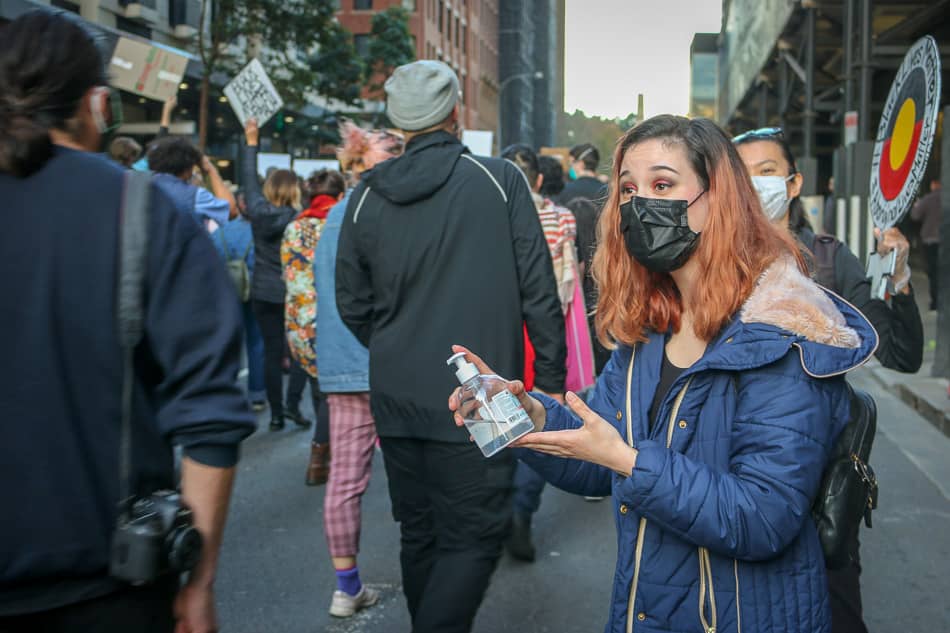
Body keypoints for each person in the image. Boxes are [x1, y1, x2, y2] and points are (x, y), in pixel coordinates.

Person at [449, 115, 878, 633]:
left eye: (662, 184)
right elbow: (599, 448)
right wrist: (529, 413)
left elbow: (762, 517)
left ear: (717, 198)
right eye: (628, 189)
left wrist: (628, 461)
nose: (638, 203)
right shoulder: (651, 329)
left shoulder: (782, 332)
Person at [0, 11, 256, 633]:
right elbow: (212, 414)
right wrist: (198, 582)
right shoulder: (142, 210)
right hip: (110, 582)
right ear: (95, 103)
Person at [336, 60, 566, 632]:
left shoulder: (366, 195)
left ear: (396, 122)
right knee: (476, 533)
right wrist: (554, 382)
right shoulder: (499, 180)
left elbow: (351, 301)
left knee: (421, 533)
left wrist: (394, 345)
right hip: (480, 394)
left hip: (397, 392)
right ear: (456, 112)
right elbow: (540, 290)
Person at [733, 127, 923, 633]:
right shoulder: (710, 263)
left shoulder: (829, 259)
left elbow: (901, 354)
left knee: (833, 614)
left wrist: (898, 280)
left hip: (819, 486)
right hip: (730, 479)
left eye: (767, 172)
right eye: (742, 173)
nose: (755, 184)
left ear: (793, 184)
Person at [313, 121, 404, 618]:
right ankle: (426, 565)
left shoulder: (333, 218)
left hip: (343, 366)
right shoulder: (388, 216)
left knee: (345, 481)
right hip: (395, 363)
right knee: (420, 469)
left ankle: (345, 586)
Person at [500, 143, 590, 562]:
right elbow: (570, 278)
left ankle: (495, 508)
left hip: (498, 326)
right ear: (537, 179)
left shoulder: (489, 214)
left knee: (493, 414)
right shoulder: (561, 217)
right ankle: (521, 509)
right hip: (546, 326)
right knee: (539, 417)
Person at [242, 118, 317, 432]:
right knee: (299, 353)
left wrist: (251, 141)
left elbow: (247, 179)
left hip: (262, 292)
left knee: (272, 353)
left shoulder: (258, 213)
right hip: (294, 294)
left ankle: (274, 415)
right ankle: (292, 405)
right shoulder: (298, 218)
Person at [282, 168, 345, 485]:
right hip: (326, 319)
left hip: (296, 322)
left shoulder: (294, 226)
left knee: (318, 388)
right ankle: (320, 459)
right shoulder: (334, 224)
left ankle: (325, 451)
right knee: (330, 394)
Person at [211, 191, 266, 412]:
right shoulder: (261, 232)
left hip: (226, 291)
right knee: (256, 342)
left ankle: (227, 390)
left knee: (229, 342)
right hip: (255, 290)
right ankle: (257, 394)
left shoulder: (221, 233)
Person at [147, 135, 237, 227]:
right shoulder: (195, 196)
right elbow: (231, 211)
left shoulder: (139, 188)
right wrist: (210, 169)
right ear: (188, 169)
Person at [911, 179, 941, 311]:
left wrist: (917, 205)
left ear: (934, 184)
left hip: (931, 240)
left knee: (933, 272)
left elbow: (915, 215)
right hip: (944, 240)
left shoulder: (928, 199)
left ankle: (935, 302)